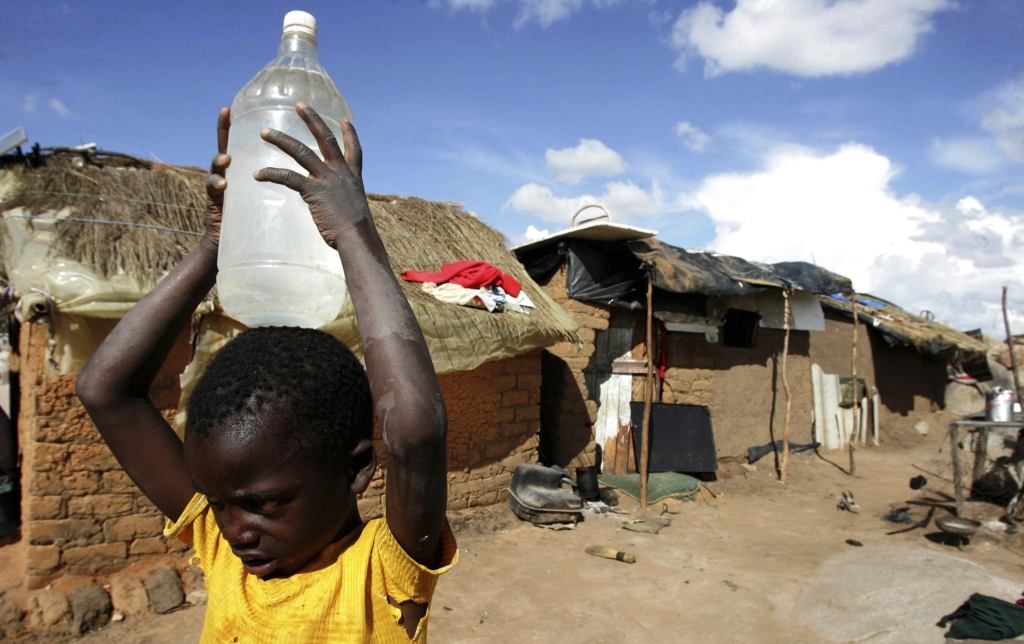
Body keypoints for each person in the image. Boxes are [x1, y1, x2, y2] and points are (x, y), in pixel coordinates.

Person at [76, 102, 455, 643]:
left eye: (264, 504)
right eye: (217, 503)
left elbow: (416, 432)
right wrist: (216, 244)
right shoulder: (224, 543)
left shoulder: (382, 572)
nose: (234, 531)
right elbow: (104, 391)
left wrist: (353, 232)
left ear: (356, 470)